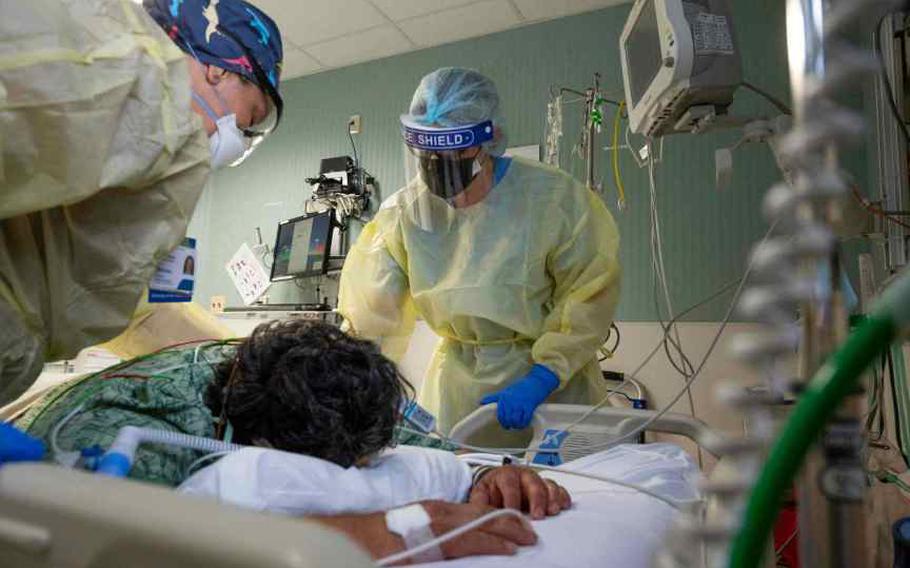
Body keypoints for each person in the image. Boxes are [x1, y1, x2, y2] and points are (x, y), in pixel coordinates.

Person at [11, 319, 567, 560]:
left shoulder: (337, 380)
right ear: (253, 441)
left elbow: (423, 442)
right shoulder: (127, 432)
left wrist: (485, 472)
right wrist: (372, 535)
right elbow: (105, 548)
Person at [0, 0, 282, 406]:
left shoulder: (148, 147)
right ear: (218, 67)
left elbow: (120, 289)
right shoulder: (139, 79)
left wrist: (241, 360)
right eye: (250, 114)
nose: (240, 133)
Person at [339, 67, 621, 446]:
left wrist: (544, 376)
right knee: (465, 491)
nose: (442, 179)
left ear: (490, 143)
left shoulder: (554, 199)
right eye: (429, 159)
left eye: (455, 159)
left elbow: (589, 295)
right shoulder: (403, 216)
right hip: (459, 396)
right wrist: (348, 378)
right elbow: (370, 315)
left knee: (563, 493)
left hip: (552, 392)